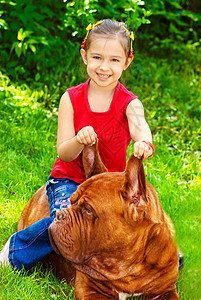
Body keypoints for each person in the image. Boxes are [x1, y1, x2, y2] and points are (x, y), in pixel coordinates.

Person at [0, 19, 155, 271]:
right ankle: (15, 253)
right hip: (69, 180)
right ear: (84, 56)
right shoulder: (71, 99)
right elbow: (64, 151)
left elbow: (140, 125)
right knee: (65, 221)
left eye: (114, 60)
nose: (104, 67)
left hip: (109, 186)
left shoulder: (130, 103)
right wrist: (77, 140)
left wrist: (144, 142)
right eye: (97, 57)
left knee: (135, 221)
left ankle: (162, 259)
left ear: (127, 62)